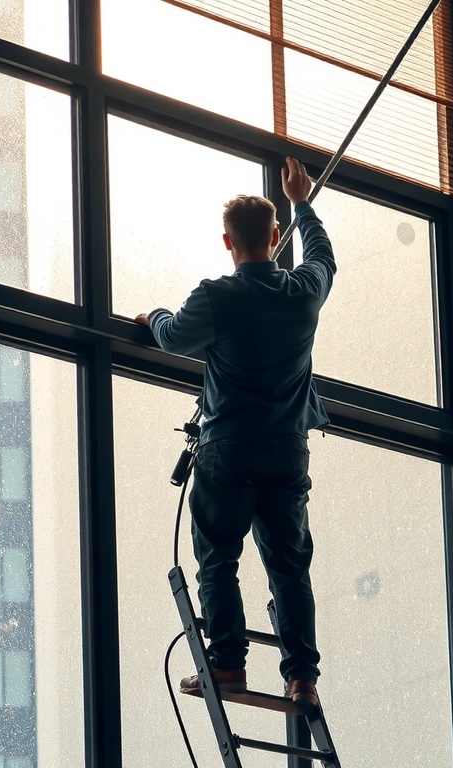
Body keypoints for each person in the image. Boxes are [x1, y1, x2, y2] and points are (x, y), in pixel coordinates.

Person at [134, 157, 335, 708]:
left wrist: (151, 316)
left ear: (227, 242)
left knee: (219, 559)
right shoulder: (302, 294)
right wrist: (303, 202)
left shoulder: (217, 296)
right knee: (289, 569)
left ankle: (226, 667)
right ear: (275, 237)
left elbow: (172, 337)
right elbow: (323, 260)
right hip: (288, 451)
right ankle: (302, 679)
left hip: (229, 449)